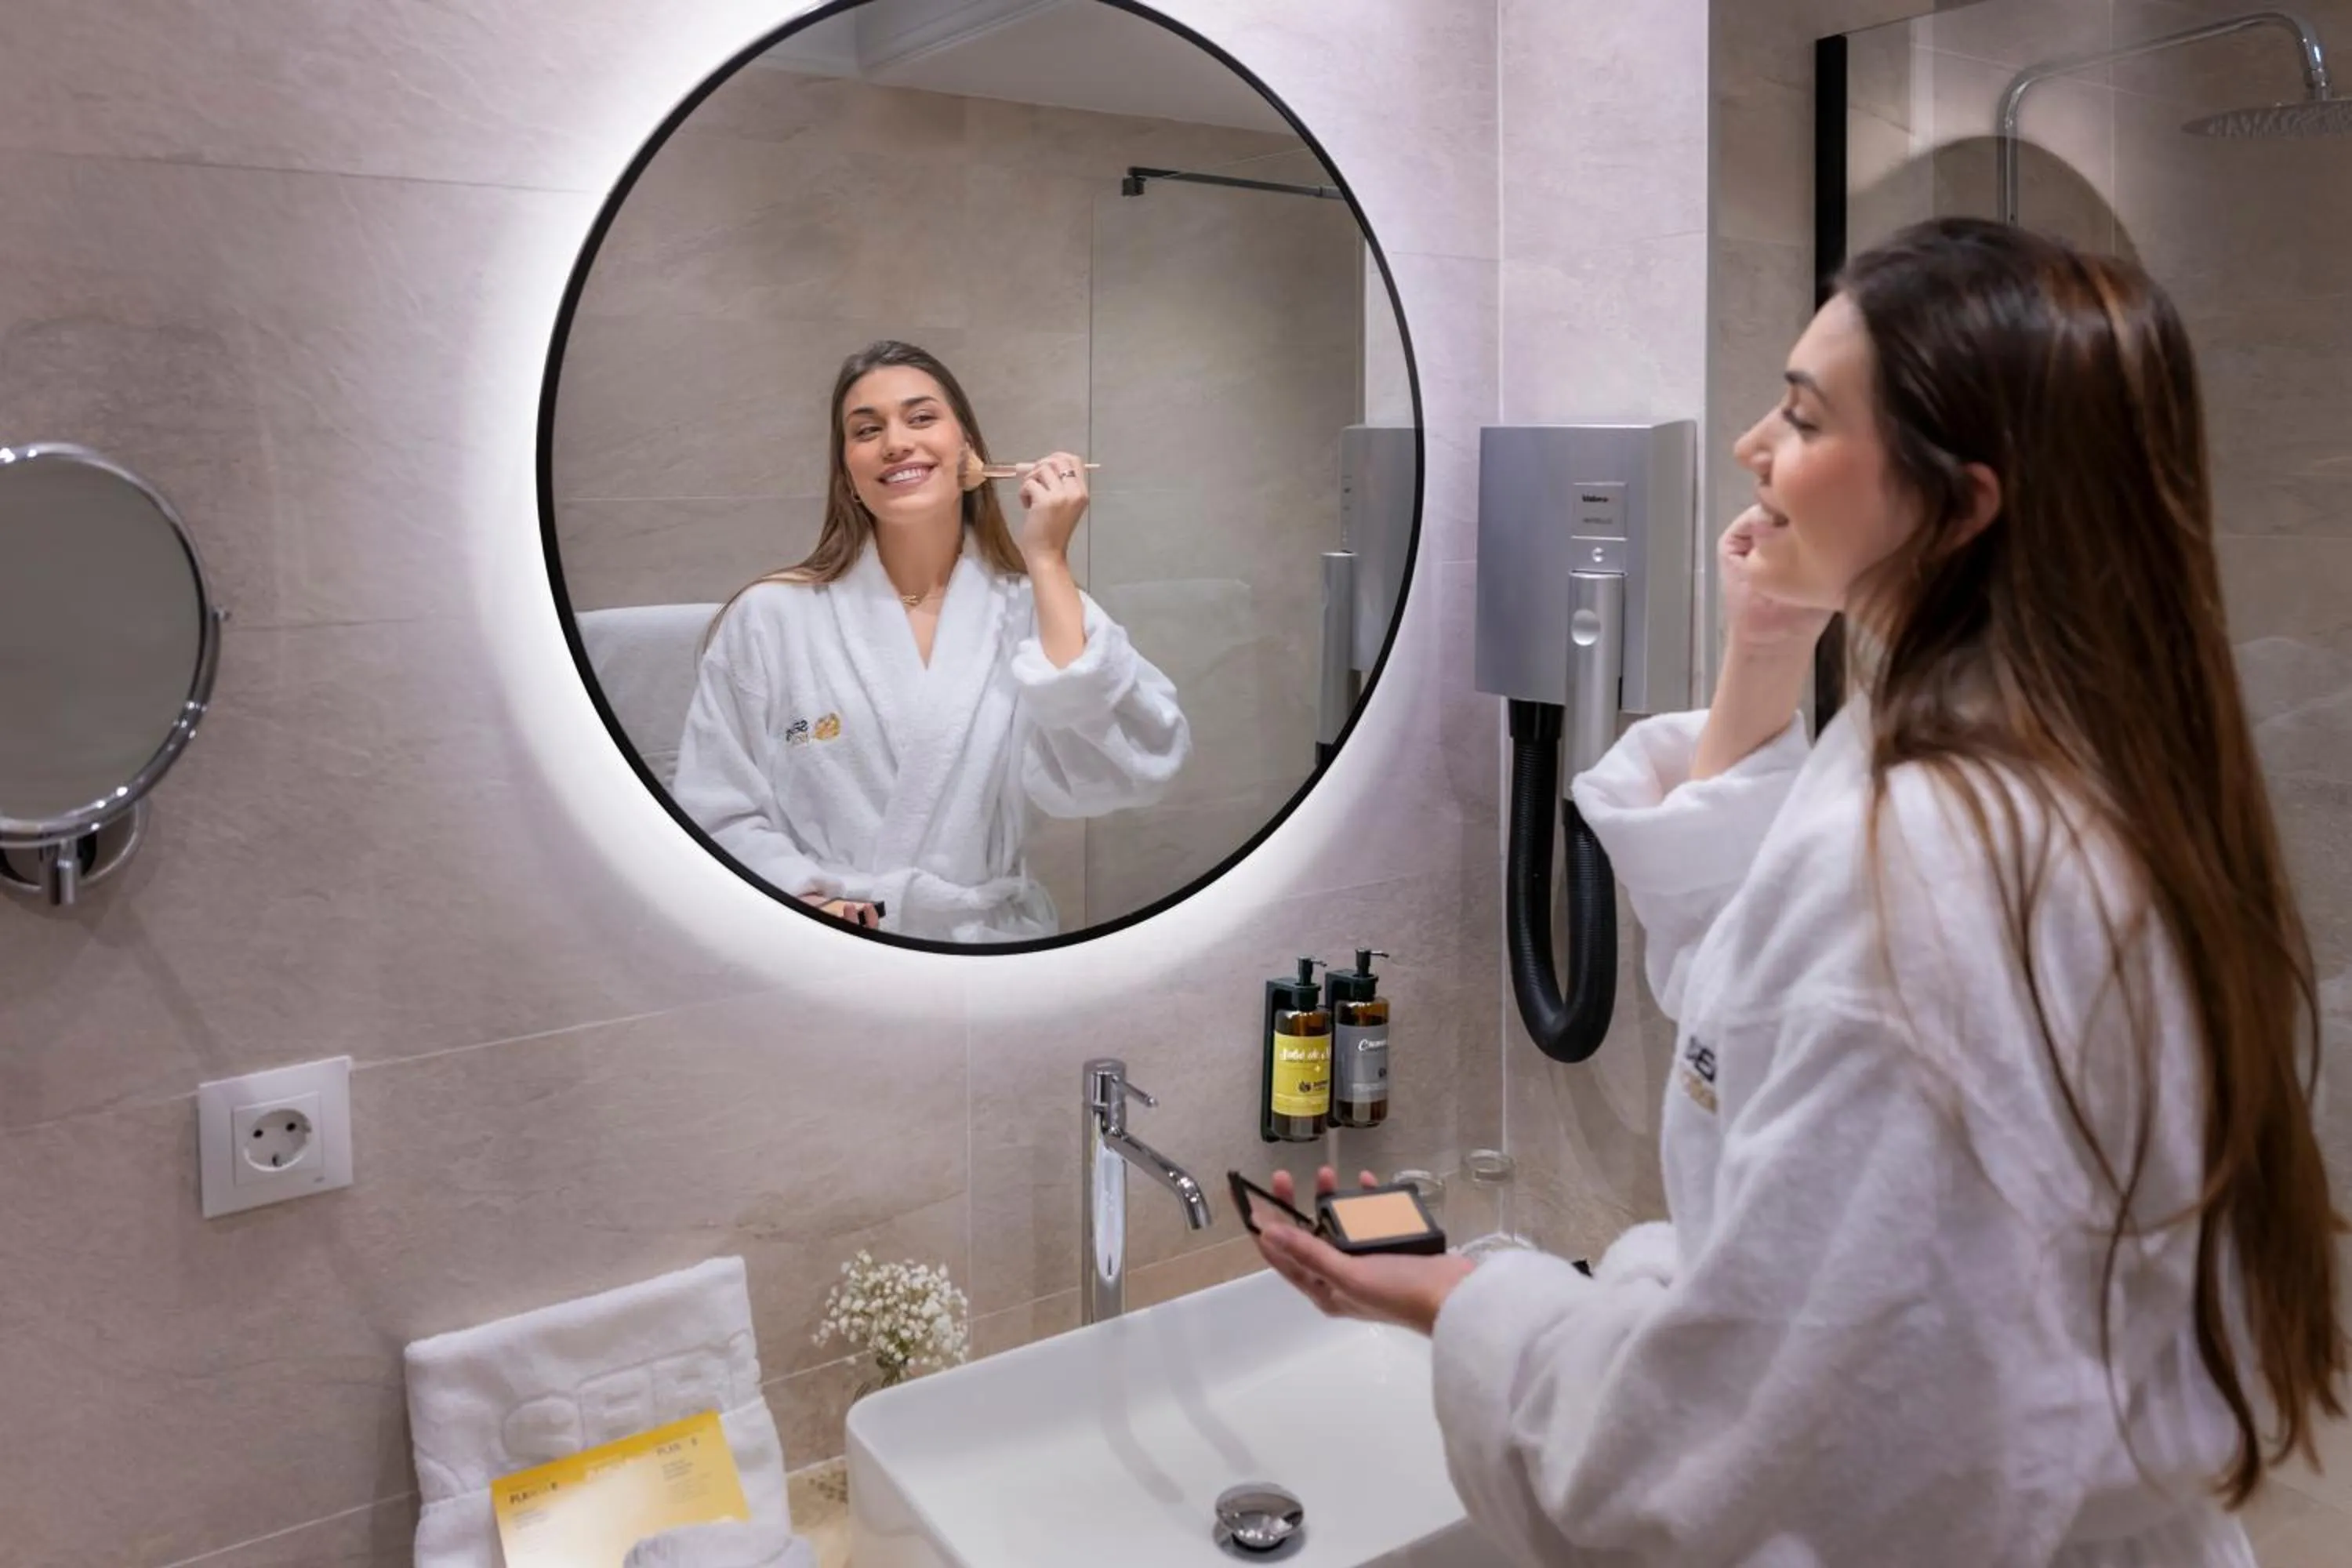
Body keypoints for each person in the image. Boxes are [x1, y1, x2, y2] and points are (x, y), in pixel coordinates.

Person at [1250, 218, 2346, 1563]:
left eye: (1806, 417)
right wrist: (1766, 642)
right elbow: (1743, 1007)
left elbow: (1708, 1470)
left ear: (1963, 503)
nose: (1751, 446)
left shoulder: (1934, 877)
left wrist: (1473, 1303)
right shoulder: (2025, 759)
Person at [673, 340, 1189, 942]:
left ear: (966, 447)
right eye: (867, 431)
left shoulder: (1034, 607)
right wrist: (811, 904)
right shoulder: (770, 618)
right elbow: (717, 806)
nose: (895, 442)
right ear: (849, 472)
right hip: (824, 945)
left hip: (992, 951)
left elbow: (1131, 767)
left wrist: (1047, 557)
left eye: (921, 418)